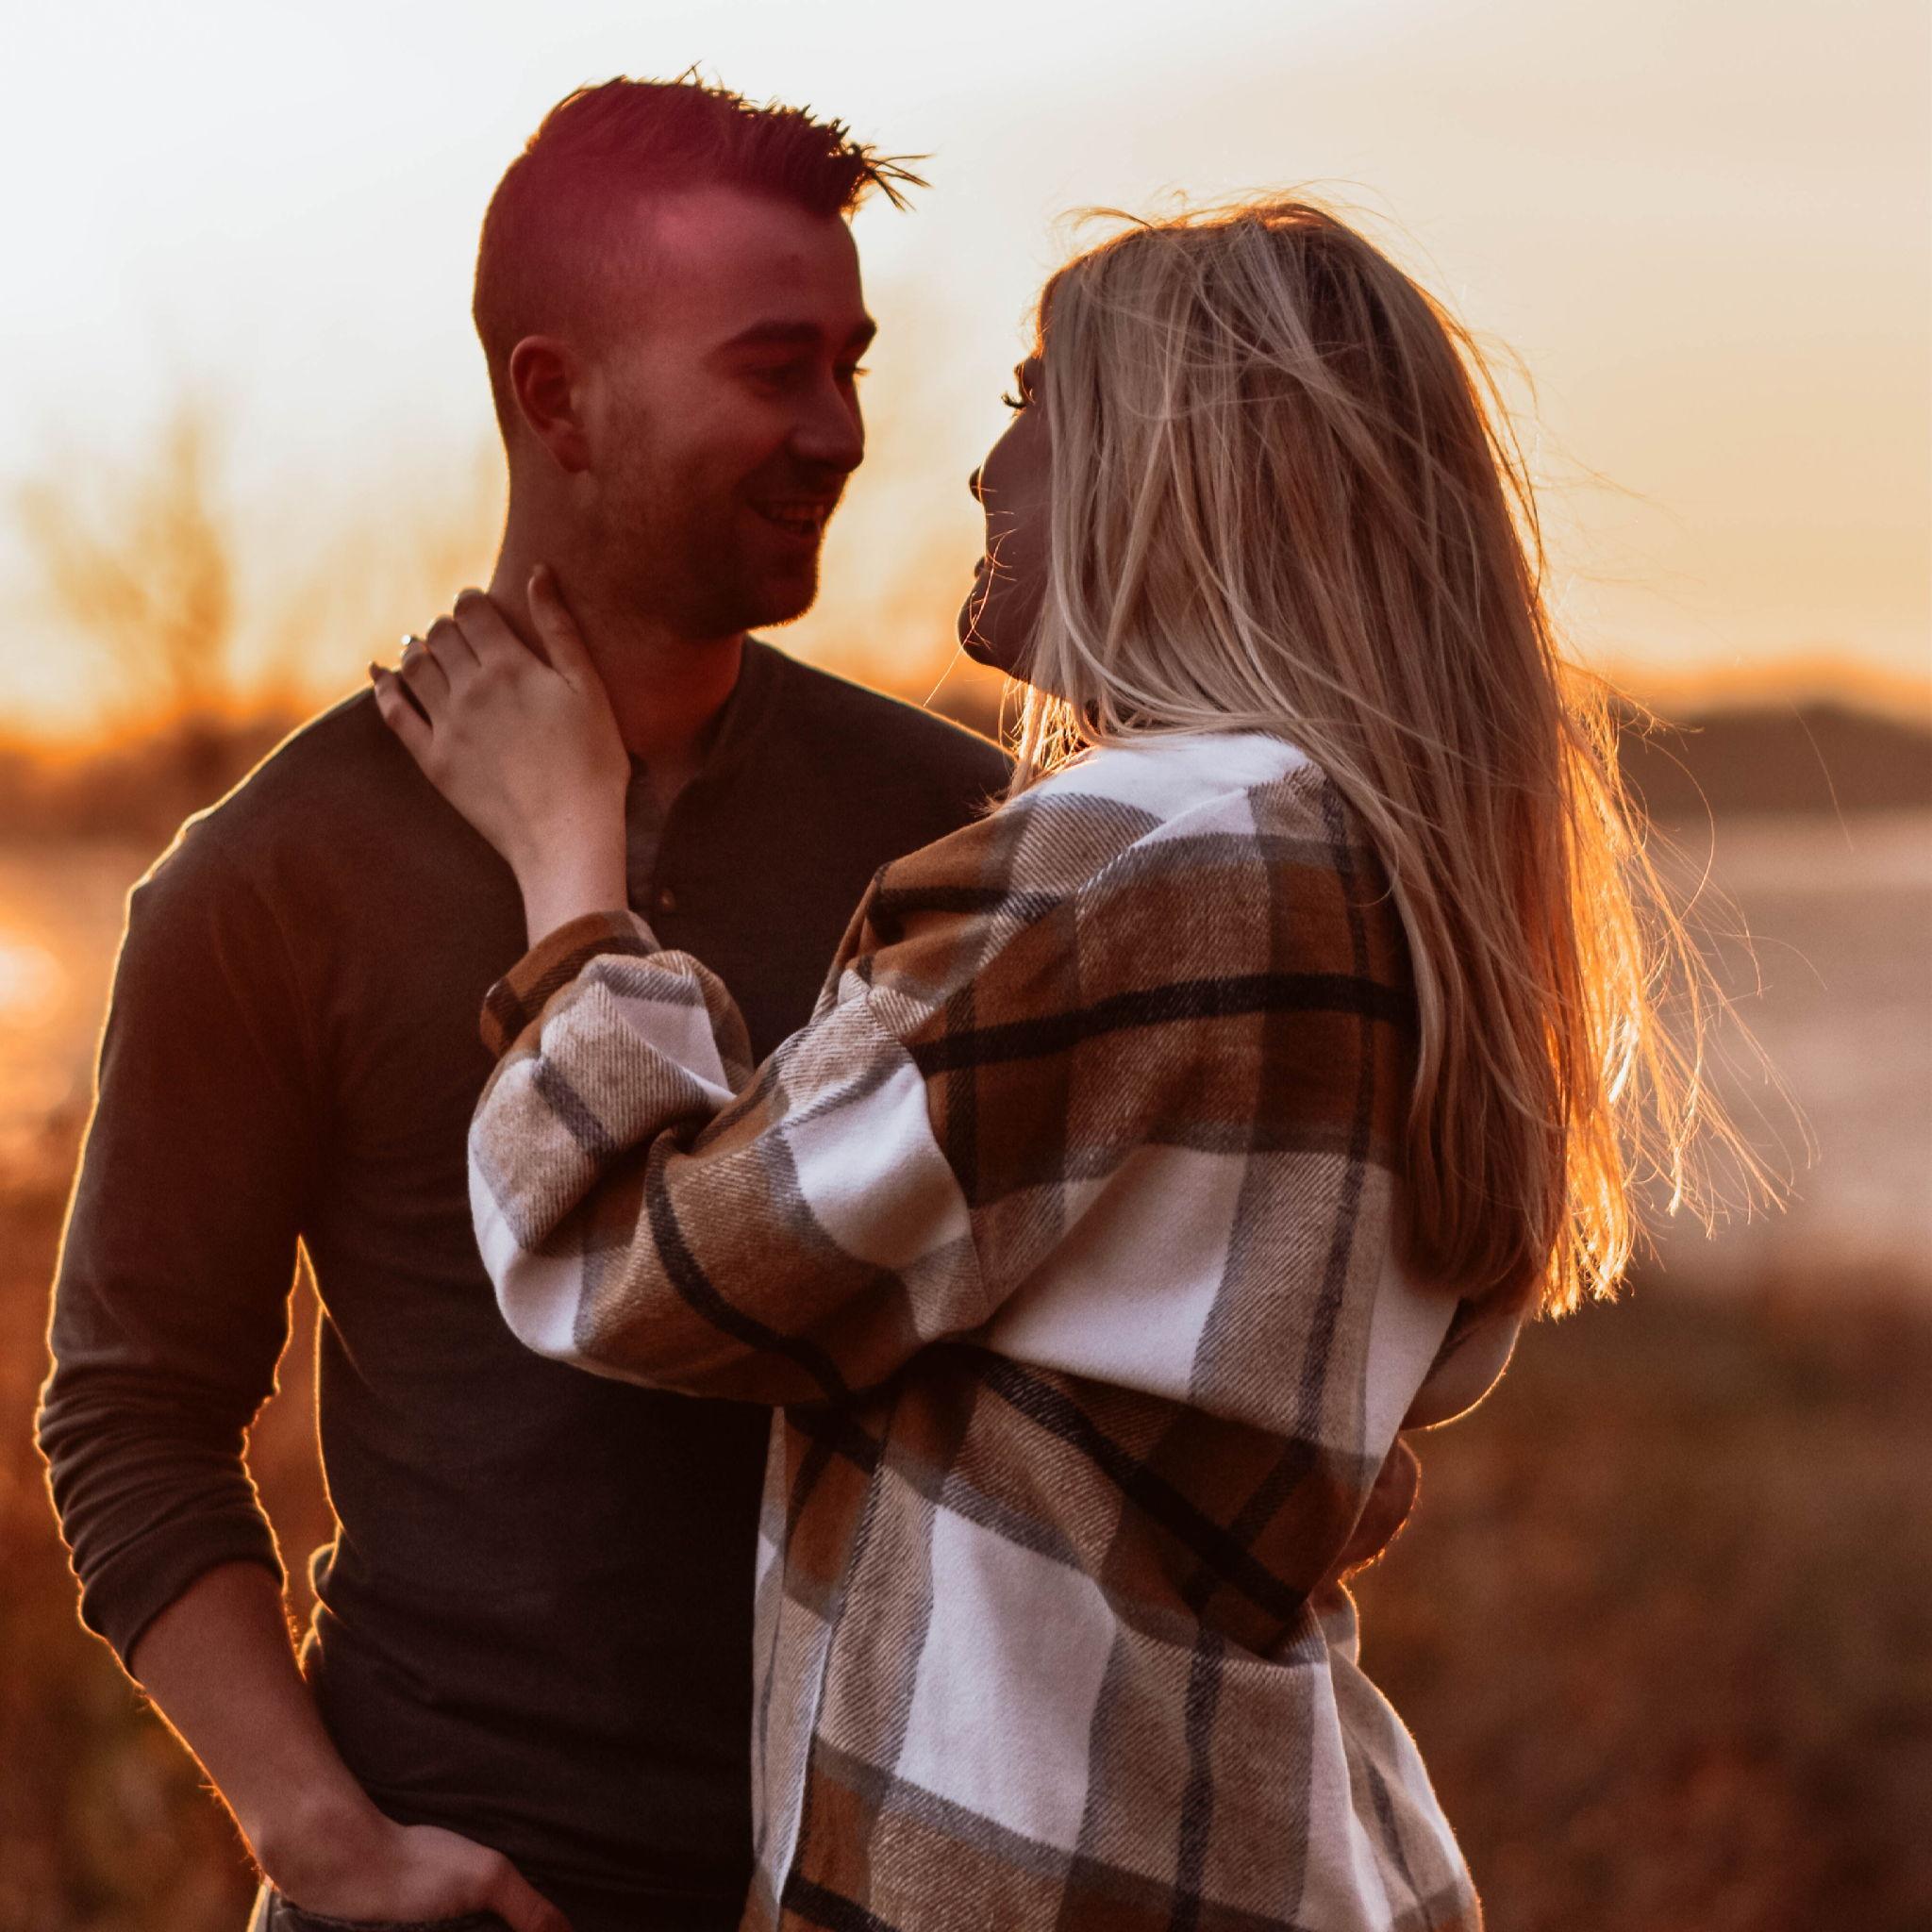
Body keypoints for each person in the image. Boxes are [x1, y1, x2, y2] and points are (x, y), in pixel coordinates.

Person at [380, 197, 1730, 1931]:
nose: (975, 472)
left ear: (1168, 468)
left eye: (1033, 405)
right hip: (1264, 1847)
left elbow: (657, 1265)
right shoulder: (1397, 872)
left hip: (1032, 1867)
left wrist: (568, 868)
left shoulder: (1132, 857)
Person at [37, 75, 1008, 1932]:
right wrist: (326, 1842)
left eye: (848, 364)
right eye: (773, 365)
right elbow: (132, 1415)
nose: (838, 432)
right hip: (469, 1887)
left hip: (885, 1887)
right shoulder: (270, 877)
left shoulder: (952, 832)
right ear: (556, 397)